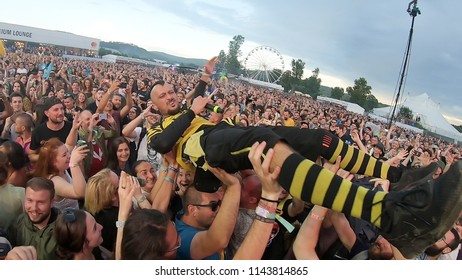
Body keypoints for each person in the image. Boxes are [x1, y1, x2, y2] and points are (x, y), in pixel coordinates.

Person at [147, 56, 462, 258]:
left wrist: (205, 75)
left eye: (171, 91)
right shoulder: (159, 127)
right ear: (156, 107)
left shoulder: (186, 108)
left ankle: (397, 178)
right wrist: (192, 110)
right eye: (162, 96)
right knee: (265, 140)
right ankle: (391, 215)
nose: (170, 96)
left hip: (224, 137)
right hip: (206, 152)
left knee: (315, 139)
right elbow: (163, 144)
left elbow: (195, 95)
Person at [7, 177, 59, 260]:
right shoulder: (16, 225)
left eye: (41, 202)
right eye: (30, 200)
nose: (34, 208)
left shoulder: (65, 228)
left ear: (52, 203)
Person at [33, 138, 88, 211]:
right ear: (52, 162)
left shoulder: (61, 168)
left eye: (68, 152)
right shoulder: (55, 181)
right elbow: (81, 193)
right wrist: (74, 163)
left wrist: (74, 128)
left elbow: (70, 144)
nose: (69, 155)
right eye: (64, 155)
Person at [29, 97, 78, 162]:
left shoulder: (71, 127)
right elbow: (31, 155)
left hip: (70, 169)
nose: (60, 113)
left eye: (62, 109)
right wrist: (48, 157)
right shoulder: (38, 131)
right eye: (56, 110)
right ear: (47, 113)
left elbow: (77, 150)